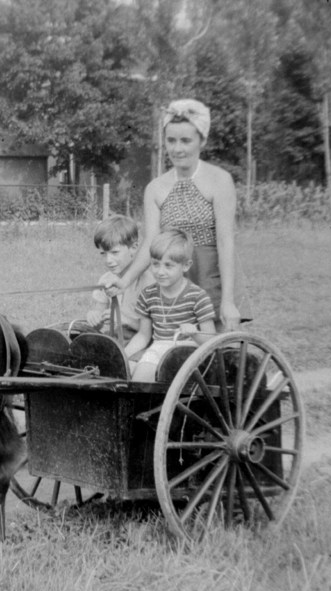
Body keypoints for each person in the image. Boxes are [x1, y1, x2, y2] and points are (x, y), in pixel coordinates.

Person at [102, 98, 250, 332]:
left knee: (217, 355)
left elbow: (225, 241)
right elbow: (150, 243)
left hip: (212, 277)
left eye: (186, 140)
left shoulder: (219, 180)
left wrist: (228, 301)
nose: (177, 148)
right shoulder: (155, 188)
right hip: (173, 277)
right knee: (173, 351)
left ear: (202, 140)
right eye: (171, 140)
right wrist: (124, 281)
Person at [125, 229, 216, 382]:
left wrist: (194, 333)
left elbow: (211, 340)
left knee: (166, 373)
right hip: (159, 348)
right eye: (155, 264)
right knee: (139, 381)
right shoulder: (148, 295)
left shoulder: (197, 296)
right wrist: (124, 354)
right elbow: (143, 335)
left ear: (186, 266)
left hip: (187, 352)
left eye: (168, 266)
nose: (160, 272)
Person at [84, 215, 155, 341]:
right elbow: (99, 319)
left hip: (140, 342)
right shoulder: (106, 280)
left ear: (133, 248)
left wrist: (124, 320)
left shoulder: (148, 282)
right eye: (103, 254)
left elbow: (155, 331)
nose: (108, 260)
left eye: (114, 252)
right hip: (115, 339)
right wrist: (94, 317)